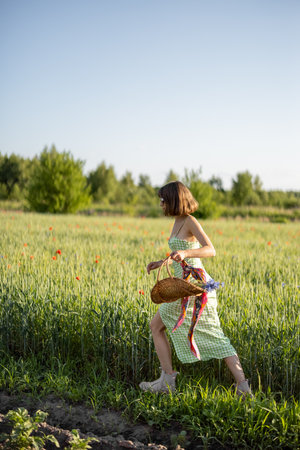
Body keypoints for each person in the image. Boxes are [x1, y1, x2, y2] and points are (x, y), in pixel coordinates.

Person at [139, 181, 251, 396]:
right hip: (181, 289)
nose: (161, 204)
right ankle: (168, 380)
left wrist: (187, 254)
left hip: (195, 289)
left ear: (174, 200)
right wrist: (161, 262)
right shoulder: (177, 221)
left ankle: (169, 382)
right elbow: (179, 254)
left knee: (213, 335)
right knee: (157, 327)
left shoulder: (190, 221)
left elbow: (211, 250)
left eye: (163, 200)